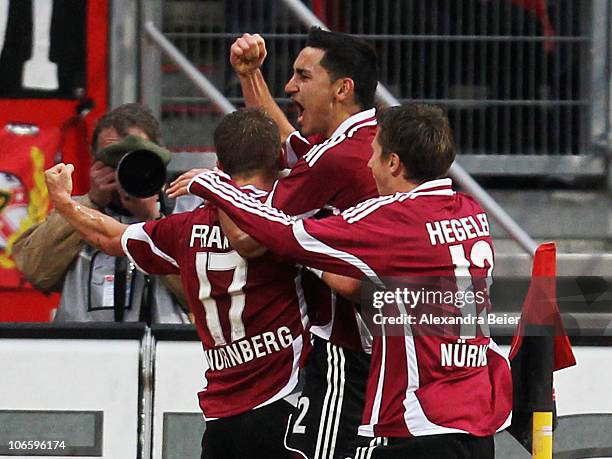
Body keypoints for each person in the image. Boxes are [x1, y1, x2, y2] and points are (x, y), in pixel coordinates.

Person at [183, 103, 513, 459]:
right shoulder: (470, 211)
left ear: (394, 163)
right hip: (478, 417)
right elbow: (362, 287)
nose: (368, 165)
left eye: (374, 154)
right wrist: (319, 262)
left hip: (422, 422)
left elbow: (284, 232)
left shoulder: (393, 218)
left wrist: (215, 186)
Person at [43, 108, 309, 459]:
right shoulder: (289, 220)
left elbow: (109, 237)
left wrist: (63, 200)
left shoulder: (185, 227)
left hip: (221, 413)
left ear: (219, 161)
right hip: (286, 399)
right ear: (277, 159)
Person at [168, 26, 379, 459]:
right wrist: (250, 77)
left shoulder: (336, 158)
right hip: (400, 343)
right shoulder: (364, 141)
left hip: (348, 348)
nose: (289, 86)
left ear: (342, 88)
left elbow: (249, 236)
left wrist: (218, 185)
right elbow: (283, 143)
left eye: (303, 76)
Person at [13, 103, 189, 323]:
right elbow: (35, 271)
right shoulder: (72, 212)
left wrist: (152, 221)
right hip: (80, 351)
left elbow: (200, 293)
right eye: (112, 161)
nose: (123, 171)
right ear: (94, 162)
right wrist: (89, 204)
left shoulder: (185, 213)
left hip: (161, 349)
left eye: (134, 160)